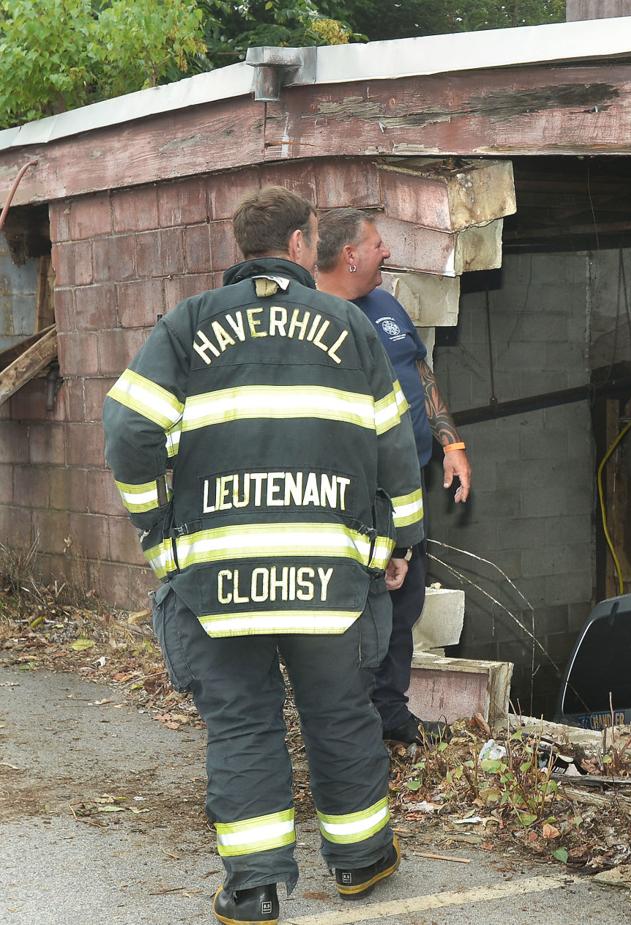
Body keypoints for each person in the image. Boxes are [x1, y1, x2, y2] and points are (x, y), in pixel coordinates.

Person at [102, 187, 425, 925]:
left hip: (218, 579)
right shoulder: (349, 326)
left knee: (243, 721)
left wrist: (158, 531)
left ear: (241, 247)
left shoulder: (187, 325)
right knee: (340, 713)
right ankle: (362, 861)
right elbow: (394, 447)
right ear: (305, 243)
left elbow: (127, 432)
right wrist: (397, 541)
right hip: (331, 575)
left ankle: (252, 890)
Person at [315, 208, 471, 744]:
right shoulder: (316, 320)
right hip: (357, 493)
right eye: (377, 244)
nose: (387, 253)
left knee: (406, 601)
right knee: (365, 606)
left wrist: (451, 442)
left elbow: (420, 371)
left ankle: (390, 713)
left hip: (410, 484)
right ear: (349, 255)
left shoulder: (384, 304)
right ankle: (353, 720)